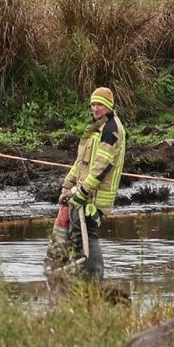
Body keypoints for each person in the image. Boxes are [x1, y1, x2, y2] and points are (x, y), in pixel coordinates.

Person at [57, 87, 127, 282]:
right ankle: (80, 277)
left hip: (95, 198)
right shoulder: (97, 127)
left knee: (87, 235)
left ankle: (94, 280)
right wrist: (67, 184)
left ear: (108, 106)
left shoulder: (111, 129)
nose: (95, 108)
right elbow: (81, 163)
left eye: (99, 104)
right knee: (77, 235)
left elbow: (101, 167)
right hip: (85, 194)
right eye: (93, 104)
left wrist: (82, 192)